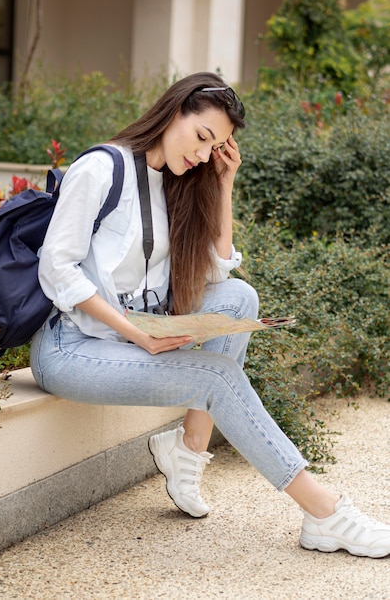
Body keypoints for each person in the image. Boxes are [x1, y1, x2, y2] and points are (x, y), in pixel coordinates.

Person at [31, 72, 390, 559]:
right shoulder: (101, 168)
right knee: (215, 377)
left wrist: (224, 183)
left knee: (240, 297)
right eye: (202, 138)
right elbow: (56, 267)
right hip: (71, 348)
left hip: (132, 332)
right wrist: (136, 333)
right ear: (174, 110)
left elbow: (219, 267)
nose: (202, 154)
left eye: (215, 146)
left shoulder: (179, 182)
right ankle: (325, 512)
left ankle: (188, 451)